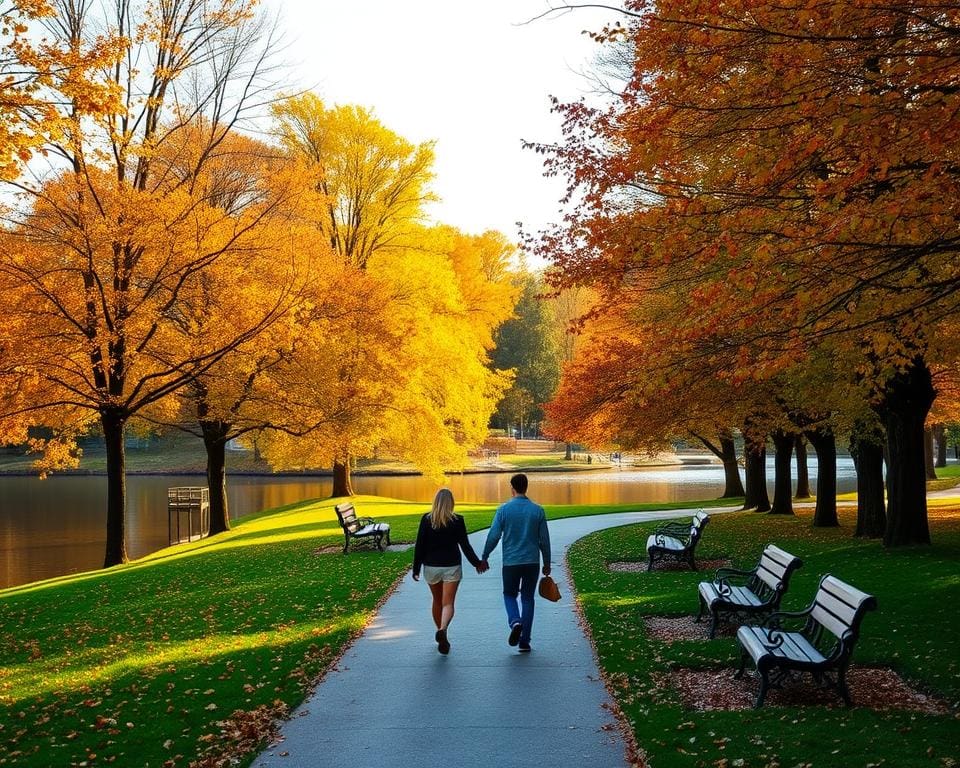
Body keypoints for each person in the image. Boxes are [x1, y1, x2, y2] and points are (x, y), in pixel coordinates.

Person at [480, 473, 551, 653]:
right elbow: (544, 540)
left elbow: (494, 535)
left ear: (512, 488)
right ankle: (525, 641)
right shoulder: (538, 510)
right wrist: (547, 563)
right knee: (527, 598)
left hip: (511, 562)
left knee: (509, 594)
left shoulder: (503, 510)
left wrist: (485, 556)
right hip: (532, 562)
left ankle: (515, 621)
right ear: (526, 487)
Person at [412, 488, 488, 654]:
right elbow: (465, 546)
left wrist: (416, 569)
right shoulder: (457, 520)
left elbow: (420, 545)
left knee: (437, 601)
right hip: (451, 566)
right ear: (451, 503)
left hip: (431, 567)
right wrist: (477, 563)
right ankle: (443, 629)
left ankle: (440, 630)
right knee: (448, 603)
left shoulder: (426, 520)